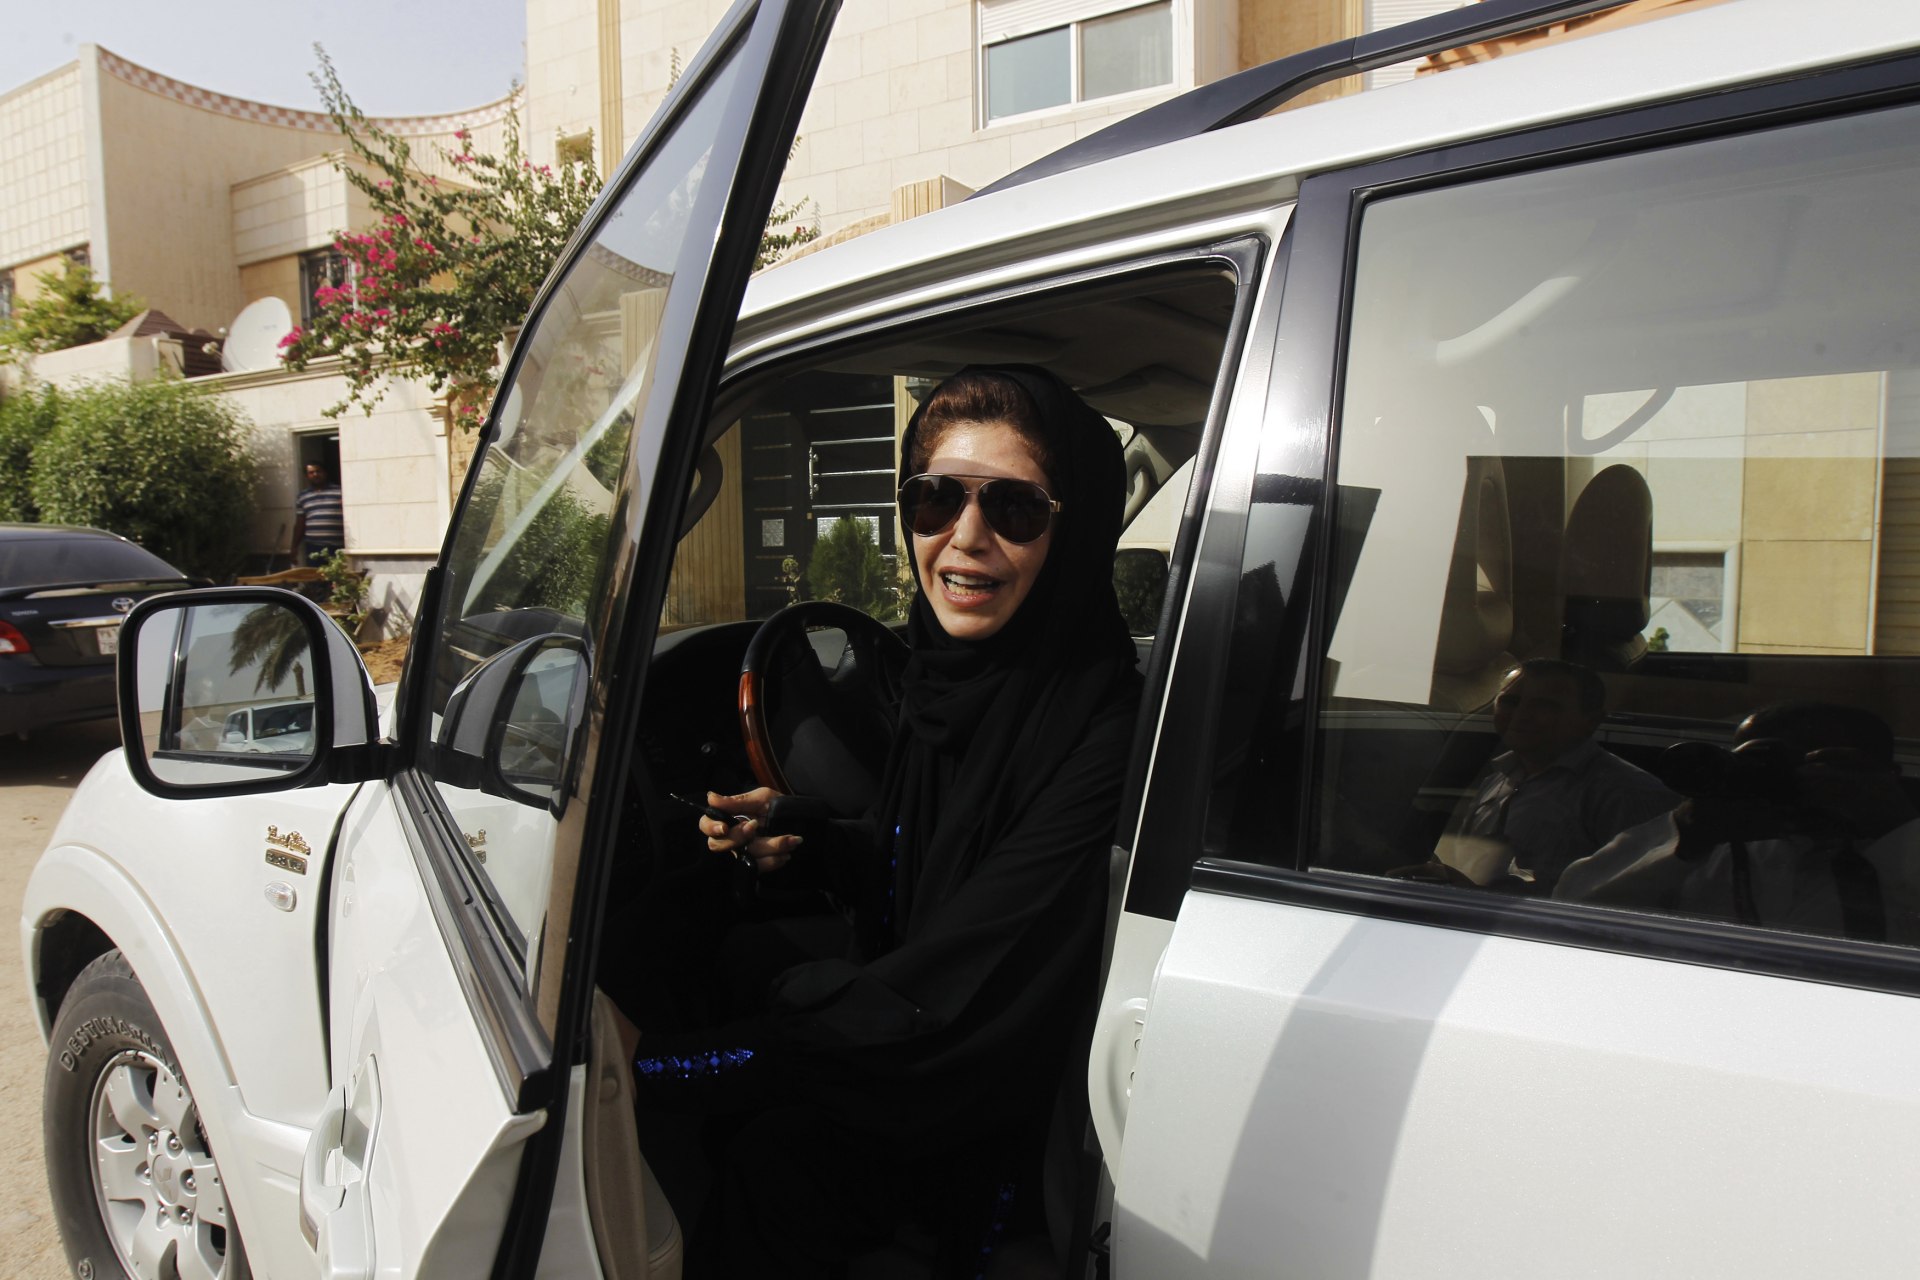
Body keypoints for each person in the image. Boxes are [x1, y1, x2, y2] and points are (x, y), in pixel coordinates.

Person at [618, 366, 1142, 1276]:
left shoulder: (1098, 728)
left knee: (767, 1154)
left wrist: (661, 1066)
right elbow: (937, 859)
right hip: (929, 1064)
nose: (964, 539)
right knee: (739, 961)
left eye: (1014, 509)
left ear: (1074, 527)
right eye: (935, 499)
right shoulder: (947, 681)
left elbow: (958, 991)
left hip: (983, 1132)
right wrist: (807, 836)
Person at [1556, 702, 1920, 944]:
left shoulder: (1901, 851)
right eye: (1754, 760)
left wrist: (1894, 825)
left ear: (1883, 775)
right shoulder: (1713, 839)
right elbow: (1568, 912)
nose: (1779, 777)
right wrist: (1685, 838)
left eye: (1811, 764)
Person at [1403, 658, 1676, 892]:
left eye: (1544, 706)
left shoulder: (1624, 794)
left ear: (1590, 721)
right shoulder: (1497, 780)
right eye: (1510, 701)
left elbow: (1638, 900)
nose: (1521, 715)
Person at [290, 461, 344, 568]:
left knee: (337, 579)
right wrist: (294, 546)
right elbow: (300, 522)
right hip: (314, 547)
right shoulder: (303, 496)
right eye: (311, 472)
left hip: (337, 546)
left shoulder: (340, 492)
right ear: (307, 476)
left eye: (318, 471)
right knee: (316, 579)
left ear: (325, 473)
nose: (315, 474)